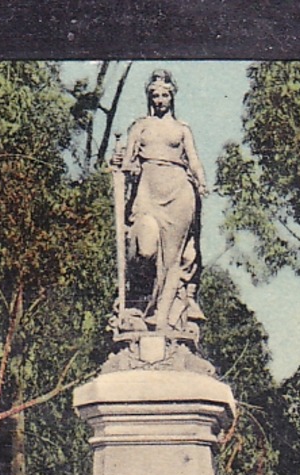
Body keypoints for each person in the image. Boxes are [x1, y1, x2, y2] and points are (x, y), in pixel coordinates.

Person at [113, 70, 208, 333]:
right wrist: (122, 164)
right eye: (155, 95)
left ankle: (162, 317)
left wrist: (201, 181)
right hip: (147, 191)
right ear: (149, 98)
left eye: (165, 95)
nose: (160, 99)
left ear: (172, 97)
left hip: (178, 190)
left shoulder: (181, 129)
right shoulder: (140, 126)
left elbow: (194, 159)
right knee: (145, 245)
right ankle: (140, 301)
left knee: (172, 258)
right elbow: (127, 161)